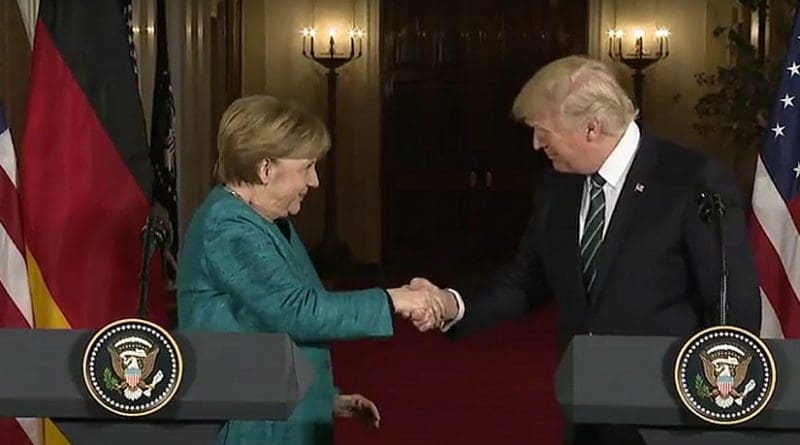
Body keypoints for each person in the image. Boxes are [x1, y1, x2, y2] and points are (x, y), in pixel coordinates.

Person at [407, 55, 762, 445]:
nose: (536, 143)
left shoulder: (692, 179)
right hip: (587, 406)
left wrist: (717, 412)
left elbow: (733, 307)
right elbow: (527, 280)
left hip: (669, 413)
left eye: (543, 131)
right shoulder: (557, 186)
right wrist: (451, 304)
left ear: (591, 127)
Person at [176, 95, 441, 445]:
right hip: (252, 425)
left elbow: (264, 328)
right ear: (266, 169)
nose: (314, 181)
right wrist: (396, 300)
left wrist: (324, 397)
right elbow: (298, 311)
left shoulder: (265, 220)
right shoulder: (228, 228)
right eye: (306, 168)